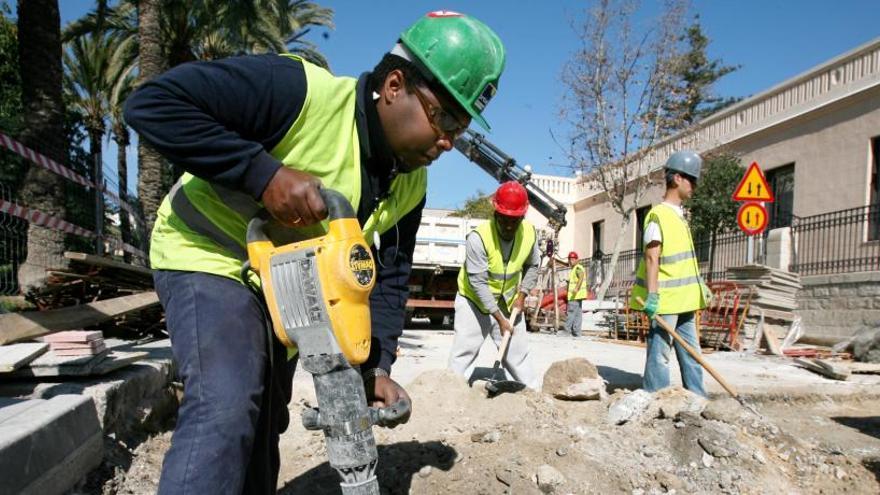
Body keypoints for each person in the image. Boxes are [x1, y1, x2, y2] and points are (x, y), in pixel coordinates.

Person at [124, 11, 506, 494]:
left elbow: (387, 274)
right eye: (445, 116)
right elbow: (153, 104)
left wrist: (375, 367)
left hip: (282, 287)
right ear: (394, 86)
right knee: (227, 403)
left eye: (462, 126)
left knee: (264, 421)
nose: (449, 140)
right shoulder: (300, 92)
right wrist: (262, 175)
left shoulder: (411, 182)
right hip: (207, 253)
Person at [630, 151, 711, 397]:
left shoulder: (680, 216)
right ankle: (657, 396)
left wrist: (700, 285)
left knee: (692, 352)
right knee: (660, 354)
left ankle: (698, 398)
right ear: (677, 178)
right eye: (692, 180)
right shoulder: (658, 215)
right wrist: (652, 296)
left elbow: (683, 260)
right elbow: (652, 257)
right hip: (665, 302)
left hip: (685, 298)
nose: (694, 186)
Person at [448, 181, 541, 390]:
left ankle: (532, 395)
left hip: (508, 301)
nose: (509, 226)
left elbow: (533, 266)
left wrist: (522, 295)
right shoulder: (478, 238)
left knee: (517, 354)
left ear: (522, 217)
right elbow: (478, 283)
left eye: (514, 221)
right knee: (464, 350)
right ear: (495, 214)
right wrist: (498, 318)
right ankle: (451, 393)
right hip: (473, 300)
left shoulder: (530, 234)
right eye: (504, 220)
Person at [564, 251, 587, 336]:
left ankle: (566, 331)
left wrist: (576, 288)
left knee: (571, 313)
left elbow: (581, 276)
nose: (571, 261)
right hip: (578, 296)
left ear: (577, 260)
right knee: (577, 315)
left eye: (573, 259)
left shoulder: (577, 268)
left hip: (574, 296)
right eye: (570, 259)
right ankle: (577, 332)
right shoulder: (576, 268)